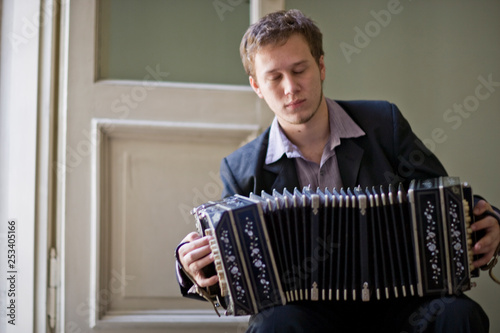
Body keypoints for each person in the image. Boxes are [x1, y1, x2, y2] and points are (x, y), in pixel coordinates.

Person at [176, 9, 500, 332]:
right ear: (257, 86)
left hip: (400, 302)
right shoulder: (242, 169)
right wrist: (190, 264)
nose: (290, 88)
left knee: (458, 314)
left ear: (321, 66)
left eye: (299, 70)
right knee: (273, 324)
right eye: (274, 77)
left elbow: (444, 203)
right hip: (306, 314)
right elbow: (228, 263)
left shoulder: (383, 124)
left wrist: (491, 223)